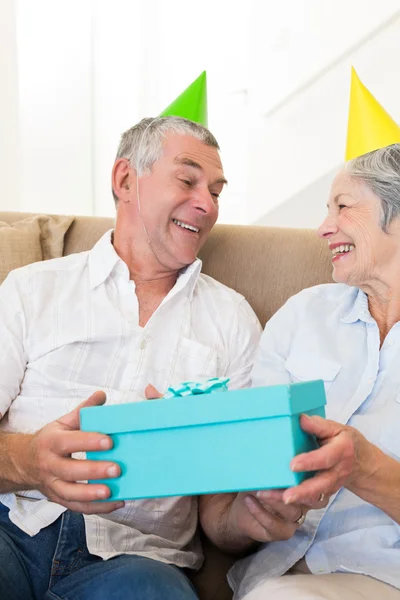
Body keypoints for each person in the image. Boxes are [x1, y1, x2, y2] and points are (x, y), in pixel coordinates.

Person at [0, 114, 261, 600]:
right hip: (11, 529)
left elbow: (225, 516)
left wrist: (260, 512)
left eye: (217, 192)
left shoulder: (233, 320)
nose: (206, 204)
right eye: (187, 180)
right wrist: (28, 460)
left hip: (137, 564)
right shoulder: (31, 290)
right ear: (126, 180)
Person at [199, 71, 400, 600]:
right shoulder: (305, 313)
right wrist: (246, 507)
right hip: (274, 573)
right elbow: (244, 481)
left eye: (342, 206)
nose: (322, 227)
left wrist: (367, 467)